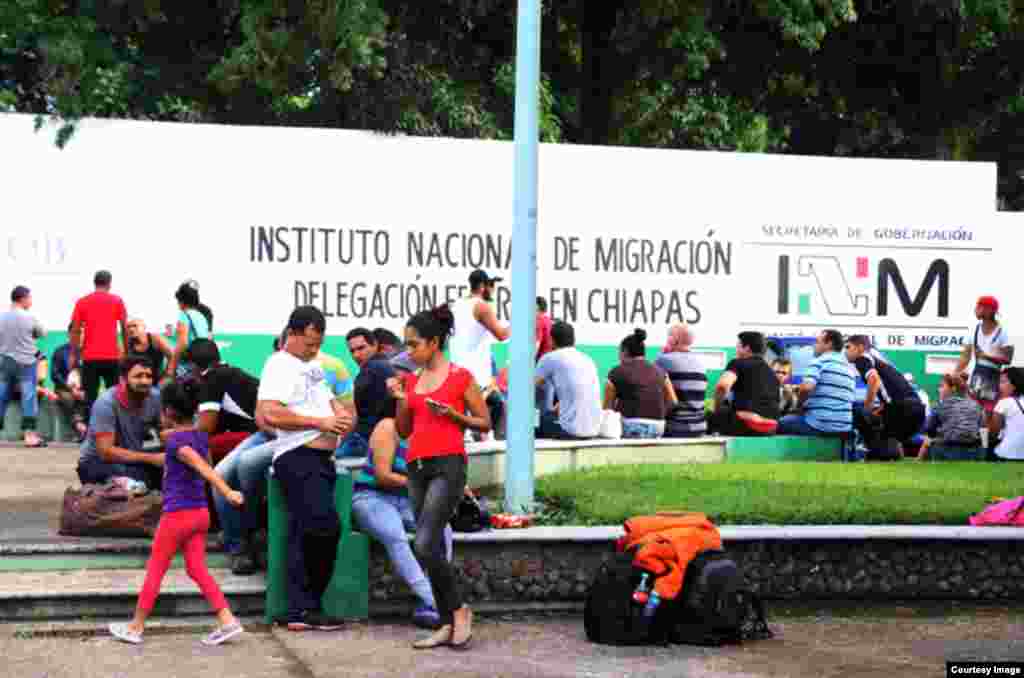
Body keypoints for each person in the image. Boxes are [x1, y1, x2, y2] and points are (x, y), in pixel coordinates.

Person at [108, 383, 245, 646]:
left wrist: (227, 491)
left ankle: (136, 626)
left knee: (156, 570)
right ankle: (227, 620)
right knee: (196, 569)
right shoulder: (200, 436)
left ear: (168, 412)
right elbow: (188, 460)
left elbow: (199, 465)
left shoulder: (175, 441)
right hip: (200, 514)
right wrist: (142, 458)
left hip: (177, 516)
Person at [391, 304, 491, 649]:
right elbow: (403, 431)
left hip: (448, 465)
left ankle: (460, 609)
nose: (408, 350)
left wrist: (453, 415)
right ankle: (447, 621)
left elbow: (484, 423)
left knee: (424, 541)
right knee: (427, 546)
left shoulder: (461, 377)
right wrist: (403, 400)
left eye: (414, 344)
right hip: (417, 467)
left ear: (434, 343)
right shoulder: (411, 381)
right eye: (406, 344)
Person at [255, 306, 354, 631]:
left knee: (305, 532)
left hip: (321, 458)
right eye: (310, 343)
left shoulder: (309, 366)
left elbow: (328, 402)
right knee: (325, 526)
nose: (315, 350)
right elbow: (271, 413)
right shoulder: (280, 365)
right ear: (293, 334)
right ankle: (306, 605)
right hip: (298, 456)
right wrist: (321, 421)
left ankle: (301, 609)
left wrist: (339, 415)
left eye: (318, 344)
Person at [184, 339, 267, 574]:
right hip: (264, 436)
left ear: (193, 367)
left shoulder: (211, 379)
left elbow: (205, 428)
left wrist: (175, 433)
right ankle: (235, 531)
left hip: (257, 437)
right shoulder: (234, 372)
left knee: (213, 470)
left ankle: (235, 544)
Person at [76, 355, 163, 488]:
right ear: (122, 379)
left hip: (138, 459)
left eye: (148, 376)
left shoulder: (156, 398)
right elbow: (106, 452)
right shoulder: (106, 403)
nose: (145, 381)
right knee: (98, 469)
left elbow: (156, 438)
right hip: (101, 462)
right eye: (138, 376)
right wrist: (151, 458)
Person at [448, 270, 509, 440]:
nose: (494, 290)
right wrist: (521, 320)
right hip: (476, 374)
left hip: (458, 368)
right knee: (490, 412)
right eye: (492, 285)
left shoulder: (457, 304)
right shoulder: (482, 306)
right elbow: (502, 335)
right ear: (482, 286)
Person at [845, 334, 926, 459]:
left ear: (860, 347)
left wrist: (867, 409)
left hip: (902, 409)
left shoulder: (862, 358)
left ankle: (876, 454)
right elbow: (889, 390)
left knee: (859, 413)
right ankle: (894, 456)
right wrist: (881, 408)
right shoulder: (879, 359)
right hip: (917, 410)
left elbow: (874, 379)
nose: (845, 351)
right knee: (888, 432)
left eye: (848, 347)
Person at [70, 270, 127, 418]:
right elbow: (124, 328)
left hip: (90, 358)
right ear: (109, 283)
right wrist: (126, 351)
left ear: (94, 283)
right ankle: (114, 432)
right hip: (111, 357)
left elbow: (75, 330)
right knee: (114, 397)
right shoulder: (117, 301)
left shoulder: (82, 302)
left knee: (90, 398)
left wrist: (74, 354)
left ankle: (91, 433)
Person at [778, 330, 856, 437]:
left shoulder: (819, 362)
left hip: (820, 425)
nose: (814, 346)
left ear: (829, 344)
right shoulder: (848, 368)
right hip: (844, 427)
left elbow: (806, 388)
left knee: (779, 423)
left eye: (817, 342)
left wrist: (799, 406)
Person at [534, 321, 602, 440]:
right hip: (594, 429)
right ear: (573, 339)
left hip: (570, 431)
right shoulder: (587, 359)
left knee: (532, 422)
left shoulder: (550, 358)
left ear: (551, 340)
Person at [604, 329, 676, 439]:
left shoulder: (616, 372)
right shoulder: (661, 372)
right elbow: (673, 401)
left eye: (619, 352)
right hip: (658, 427)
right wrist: (658, 413)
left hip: (631, 427)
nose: (618, 356)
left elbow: (607, 409)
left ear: (625, 351)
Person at [0, 285, 47, 447]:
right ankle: (30, 436)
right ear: (23, 298)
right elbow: (42, 333)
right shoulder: (29, 317)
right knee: (29, 397)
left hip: (6, 361)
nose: (31, 301)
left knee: (2, 396)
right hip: (26, 363)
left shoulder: (2, 317)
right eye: (30, 297)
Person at [338, 328, 396, 459]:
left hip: (364, 442)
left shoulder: (371, 369)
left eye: (361, 348)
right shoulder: (385, 366)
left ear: (375, 345)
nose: (356, 355)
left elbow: (352, 412)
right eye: (352, 351)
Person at [711, 332, 780, 436]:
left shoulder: (737, 363)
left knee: (707, 417)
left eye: (738, 347)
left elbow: (722, 386)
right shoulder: (772, 372)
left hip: (746, 425)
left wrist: (716, 409)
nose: (736, 350)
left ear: (747, 348)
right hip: (770, 428)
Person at [956, 296, 1013, 415]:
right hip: (975, 380)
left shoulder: (1003, 332)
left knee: (988, 415)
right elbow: (965, 356)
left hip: (993, 382)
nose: (976, 309)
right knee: (972, 414)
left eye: (979, 306)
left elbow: (1008, 359)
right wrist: (955, 373)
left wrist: (986, 356)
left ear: (990, 310)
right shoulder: (974, 329)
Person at [655, 323, 707, 438]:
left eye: (669, 336)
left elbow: (651, 385)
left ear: (675, 340)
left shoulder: (663, 360)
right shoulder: (701, 363)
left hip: (675, 426)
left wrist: (661, 355)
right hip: (700, 426)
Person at [917, 373, 982, 461]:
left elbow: (929, 430)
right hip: (974, 452)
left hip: (947, 451)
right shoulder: (976, 405)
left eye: (942, 386)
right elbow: (981, 429)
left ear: (953, 389)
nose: (939, 389)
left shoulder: (941, 406)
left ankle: (919, 461)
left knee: (930, 439)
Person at [167, 280, 213, 380]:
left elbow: (182, 343)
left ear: (181, 301)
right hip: (203, 363)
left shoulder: (184, 315)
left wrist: (172, 365)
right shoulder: (201, 316)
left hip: (188, 363)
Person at [50, 334, 88, 440]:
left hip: (83, 388)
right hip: (63, 388)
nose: (80, 336)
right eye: (77, 332)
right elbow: (54, 374)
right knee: (69, 398)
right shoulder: (60, 351)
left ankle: (85, 430)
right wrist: (70, 388)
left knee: (90, 398)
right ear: (69, 334)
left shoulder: (89, 351)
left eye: (82, 332)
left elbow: (92, 373)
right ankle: (80, 426)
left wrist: (84, 389)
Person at [989, 368, 1024, 462]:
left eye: (1003, 382)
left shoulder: (1004, 403)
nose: (1000, 386)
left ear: (1014, 384)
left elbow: (993, 432)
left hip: (1007, 453)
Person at [125, 318, 174, 385]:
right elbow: (125, 365)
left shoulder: (155, 338)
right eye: (128, 327)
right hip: (139, 381)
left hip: (158, 380)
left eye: (135, 326)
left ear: (144, 327)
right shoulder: (128, 344)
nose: (131, 329)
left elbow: (172, 356)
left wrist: (167, 375)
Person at [535, 297, 554, 361]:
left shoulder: (539, 321)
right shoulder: (549, 321)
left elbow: (536, 345)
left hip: (541, 362)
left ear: (536, 307)